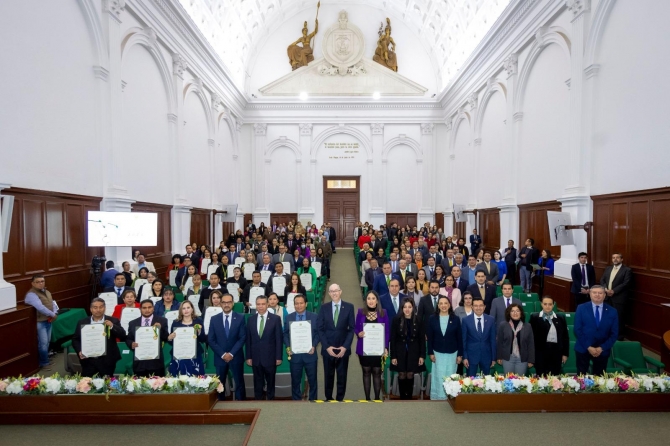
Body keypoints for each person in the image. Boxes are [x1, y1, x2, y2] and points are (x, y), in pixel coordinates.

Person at [317, 284, 355, 401]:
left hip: (343, 349)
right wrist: (327, 347)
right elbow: (320, 328)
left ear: (341, 292)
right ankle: (328, 398)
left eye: (336, 291)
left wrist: (345, 347)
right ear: (329, 294)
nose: (334, 293)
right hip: (328, 348)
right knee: (328, 376)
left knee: (342, 376)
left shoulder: (349, 307)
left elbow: (351, 329)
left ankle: (340, 398)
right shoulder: (324, 308)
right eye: (331, 291)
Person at [72, 297, 126, 377]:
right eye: (95, 307)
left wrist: (112, 326)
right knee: (88, 385)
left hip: (107, 360)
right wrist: (79, 350)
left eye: (101, 307)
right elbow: (75, 339)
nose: (98, 310)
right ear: (91, 309)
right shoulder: (82, 322)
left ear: (105, 308)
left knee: (107, 384)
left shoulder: (113, 320)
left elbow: (123, 335)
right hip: (88, 360)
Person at [209, 293, 247, 400]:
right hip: (220, 357)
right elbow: (211, 340)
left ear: (233, 303)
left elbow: (242, 338)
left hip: (236, 356)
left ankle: (241, 405)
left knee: (239, 382)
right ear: (220, 304)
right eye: (224, 302)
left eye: (229, 302)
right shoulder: (214, 319)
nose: (226, 304)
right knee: (220, 384)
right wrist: (222, 354)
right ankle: (220, 405)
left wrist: (231, 353)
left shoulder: (240, 318)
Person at [574, 285, 618, 375]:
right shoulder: (581, 308)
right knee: (581, 380)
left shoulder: (612, 311)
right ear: (590, 294)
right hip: (583, 348)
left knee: (600, 380)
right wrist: (589, 347)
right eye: (594, 293)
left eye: (600, 293)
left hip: (602, 350)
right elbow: (577, 330)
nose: (597, 295)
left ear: (604, 295)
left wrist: (602, 348)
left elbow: (614, 334)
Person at [355, 291, 390, 401]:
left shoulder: (383, 312)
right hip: (364, 349)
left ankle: (376, 398)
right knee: (366, 372)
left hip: (378, 349)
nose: (371, 301)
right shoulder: (361, 312)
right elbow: (356, 328)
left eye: (373, 298)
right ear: (366, 301)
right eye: (368, 298)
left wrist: (385, 347)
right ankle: (367, 398)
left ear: (377, 300)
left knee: (377, 372)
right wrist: (358, 333)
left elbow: (387, 332)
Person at [246, 295, 283, 400]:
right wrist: (248, 356)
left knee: (271, 382)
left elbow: (278, 339)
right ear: (255, 305)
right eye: (258, 304)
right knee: (257, 383)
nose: (261, 306)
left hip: (270, 358)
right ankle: (258, 402)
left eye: (263, 304)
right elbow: (248, 340)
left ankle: (270, 402)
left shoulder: (275, 319)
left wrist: (278, 357)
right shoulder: (250, 320)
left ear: (267, 304)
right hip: (256, 358)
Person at [283, 294, 319, 400]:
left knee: (312, 381)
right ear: (294, 305)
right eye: (296, 303)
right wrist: (288, 347)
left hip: (310, 355)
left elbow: (318, 334)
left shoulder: (314, 317)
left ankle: (313, 402)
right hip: (295, 356)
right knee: (295, 382)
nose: (299, 305)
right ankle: (296, 403)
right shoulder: (289, 317)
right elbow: (285, 334)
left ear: (306, 304)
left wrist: (314, 345)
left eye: (301, 303)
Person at [426, 295, 462, 400]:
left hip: (452, 352)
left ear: (449, 305)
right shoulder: (432, 318)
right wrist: (430, 352)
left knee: (450, 374)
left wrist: (460, 354)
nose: (443, 305)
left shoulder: (455, 319)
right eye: (441, 303)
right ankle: (438, 396)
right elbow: (430, 337)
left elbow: (459, 338)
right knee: (439, 375)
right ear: (438, 305)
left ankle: (450, 397)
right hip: (437, 352)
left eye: (446, 303)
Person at [390, 298, 425, 400]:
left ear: (413, 308)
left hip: (414, 352)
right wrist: (393, 356)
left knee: (410, 374)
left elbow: (422, 339)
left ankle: (409, 397)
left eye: (409, 307)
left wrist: (422, 355)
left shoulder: (419, 320)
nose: (407, 309)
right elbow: (393, 339)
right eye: (405, 307)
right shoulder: (396, 320)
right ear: (402, 308)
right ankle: (402, 398)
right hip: (400, 351)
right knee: (401, 374)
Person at [126, 299, 169, 377]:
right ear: (140, 309)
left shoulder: (162, 321)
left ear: (153, 308)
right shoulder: (133, 323)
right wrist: (131, 344)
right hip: (139, 363)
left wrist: (160, 329)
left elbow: (166, 337)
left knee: (158, 387)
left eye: (149, 307)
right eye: (144, 308)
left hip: (156, 363)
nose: (147, 310)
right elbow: (128, 339)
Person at [24, 275, 59, 370]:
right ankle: (43, 363)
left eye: (42, 281)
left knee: (47, 342)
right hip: (40, 322)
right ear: (32, 283)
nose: (41, 283)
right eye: (38, 282)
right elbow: (40, 307)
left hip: (48, 320)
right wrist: (52, 314)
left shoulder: (46, 292)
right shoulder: (31, 295)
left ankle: (45, 359)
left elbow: (53, 303)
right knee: (43, 343)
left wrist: (55, 312)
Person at [530, 296, 569, 376]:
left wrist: (565, 354)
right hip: (540, 354)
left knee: (554, 378)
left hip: (556, 354)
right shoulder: (535, 318)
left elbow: (565, 337)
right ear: (541, 304)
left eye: (550, 304)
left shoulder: (560, 318)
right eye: (545, 304)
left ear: (553, 305)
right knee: (541, 377)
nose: (547, 306)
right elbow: (531, 338)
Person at [167, 300, 207, 376]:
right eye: (183, 308)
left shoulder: (198, 321)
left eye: (188, 308)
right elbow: (172, 342)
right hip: (179, 355)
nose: (186, 310)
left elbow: (203, 339)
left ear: (192, 309)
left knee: (195, 379)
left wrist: (199, 332)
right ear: (181, 311)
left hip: (194, 355)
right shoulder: (176, 322)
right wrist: (169, 338)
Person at [599, 253, 632, 340]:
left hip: (619, 298)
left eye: (617, 257)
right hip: (607, 297)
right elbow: (602, 280)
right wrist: (606, 289)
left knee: (619, 318)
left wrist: (614, 291)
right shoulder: (608, 268)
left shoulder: (627, 270)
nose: (615, 259)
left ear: (622, 259)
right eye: (613, 257)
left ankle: (619, 337)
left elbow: (626, 283)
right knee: (606, 316)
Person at [496, 303, 535, 375]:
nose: (515, 313)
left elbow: (530, 344)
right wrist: (499, 357)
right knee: (508, 381)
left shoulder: (527, 326)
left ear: (521, 313)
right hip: (507, 358)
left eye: (517, 311)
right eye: (512, 311)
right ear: (509, 313)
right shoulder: (503, 325)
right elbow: (500, 342)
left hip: (522, 358)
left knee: (520, 382)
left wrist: (531, 360)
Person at [462, 297, 496, 376]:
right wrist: (465, 357)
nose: (478, 308)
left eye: (481, 305)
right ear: (472, 307)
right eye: (476, 306)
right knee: (470, 383)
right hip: (471, 356)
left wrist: (493, 357)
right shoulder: (466, 320)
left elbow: (493, 340)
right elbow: (464, 340)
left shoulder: (491, 320)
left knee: (486, 382)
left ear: (484, 307)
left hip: (487, 356)